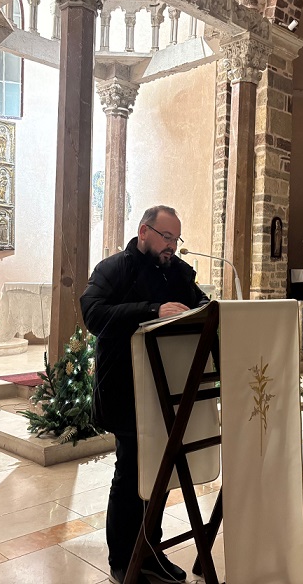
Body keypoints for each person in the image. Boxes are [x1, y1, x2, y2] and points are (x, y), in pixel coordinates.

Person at [81, 205, 208, 584]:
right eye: (166, 237)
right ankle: (123, 560)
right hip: (125, 387)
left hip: (167, 388)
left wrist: (206, 311)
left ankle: (150, 551)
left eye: (176, 239)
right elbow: (93, 314)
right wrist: (152, 310)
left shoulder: (178, 272)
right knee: (131, 474)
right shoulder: (113, 269)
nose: (172, 246)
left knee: (159, 473)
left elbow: (202, 305)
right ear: (144, 232)